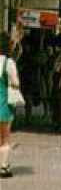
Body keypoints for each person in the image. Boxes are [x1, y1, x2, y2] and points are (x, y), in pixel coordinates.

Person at [0, 32, 22, 177]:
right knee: (5, 137)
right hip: (3, 103)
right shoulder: (9, 63)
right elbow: (16, 83)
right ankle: (3, 166)